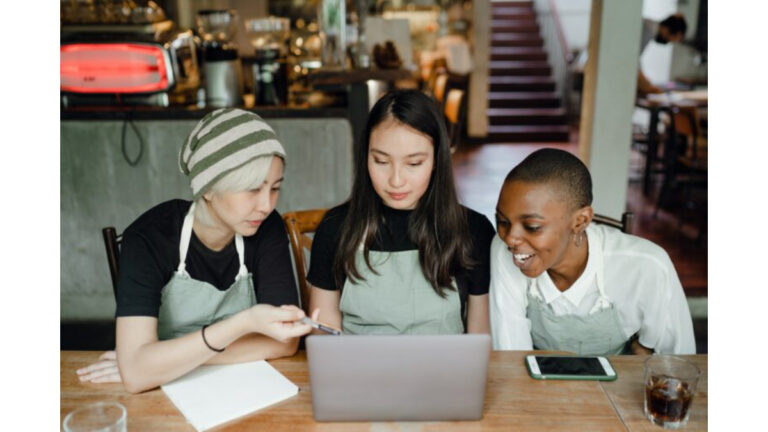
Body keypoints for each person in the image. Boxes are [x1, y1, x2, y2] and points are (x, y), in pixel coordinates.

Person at [76, 108, 316, 393]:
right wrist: (245, 324)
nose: (267, 205)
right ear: (208, 188)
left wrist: (164, 363)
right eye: (253, 189)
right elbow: (137, 376)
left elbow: (284, 343)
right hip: (162, 397)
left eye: (275, 188)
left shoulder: (267, 228)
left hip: (238, 386)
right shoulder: (148, 237)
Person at [307, 89, 495, 335]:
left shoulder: (473, 230)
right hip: (358, 372)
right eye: (381, 162)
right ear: (366, 157)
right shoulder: (336, 228)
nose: (396, 180)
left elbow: (480, 336)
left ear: (437, 159)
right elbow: (323, 333)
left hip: (444, 373)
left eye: (414, 163)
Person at [489, 148, 695, 355]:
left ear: (581, 221)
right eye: (503, 221)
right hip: (536, 380)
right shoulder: (504, 253)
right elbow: (512, 357)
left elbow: (679, 364)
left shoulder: (647, 265)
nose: (510, 238)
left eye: (532, 226)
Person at [637, 13, 688, 95]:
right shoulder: (647, 30)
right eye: (668, 40)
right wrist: (647, 85)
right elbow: (631, 62)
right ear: (666, 29)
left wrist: (645, 80)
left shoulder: (647, 26)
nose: (667, 42)